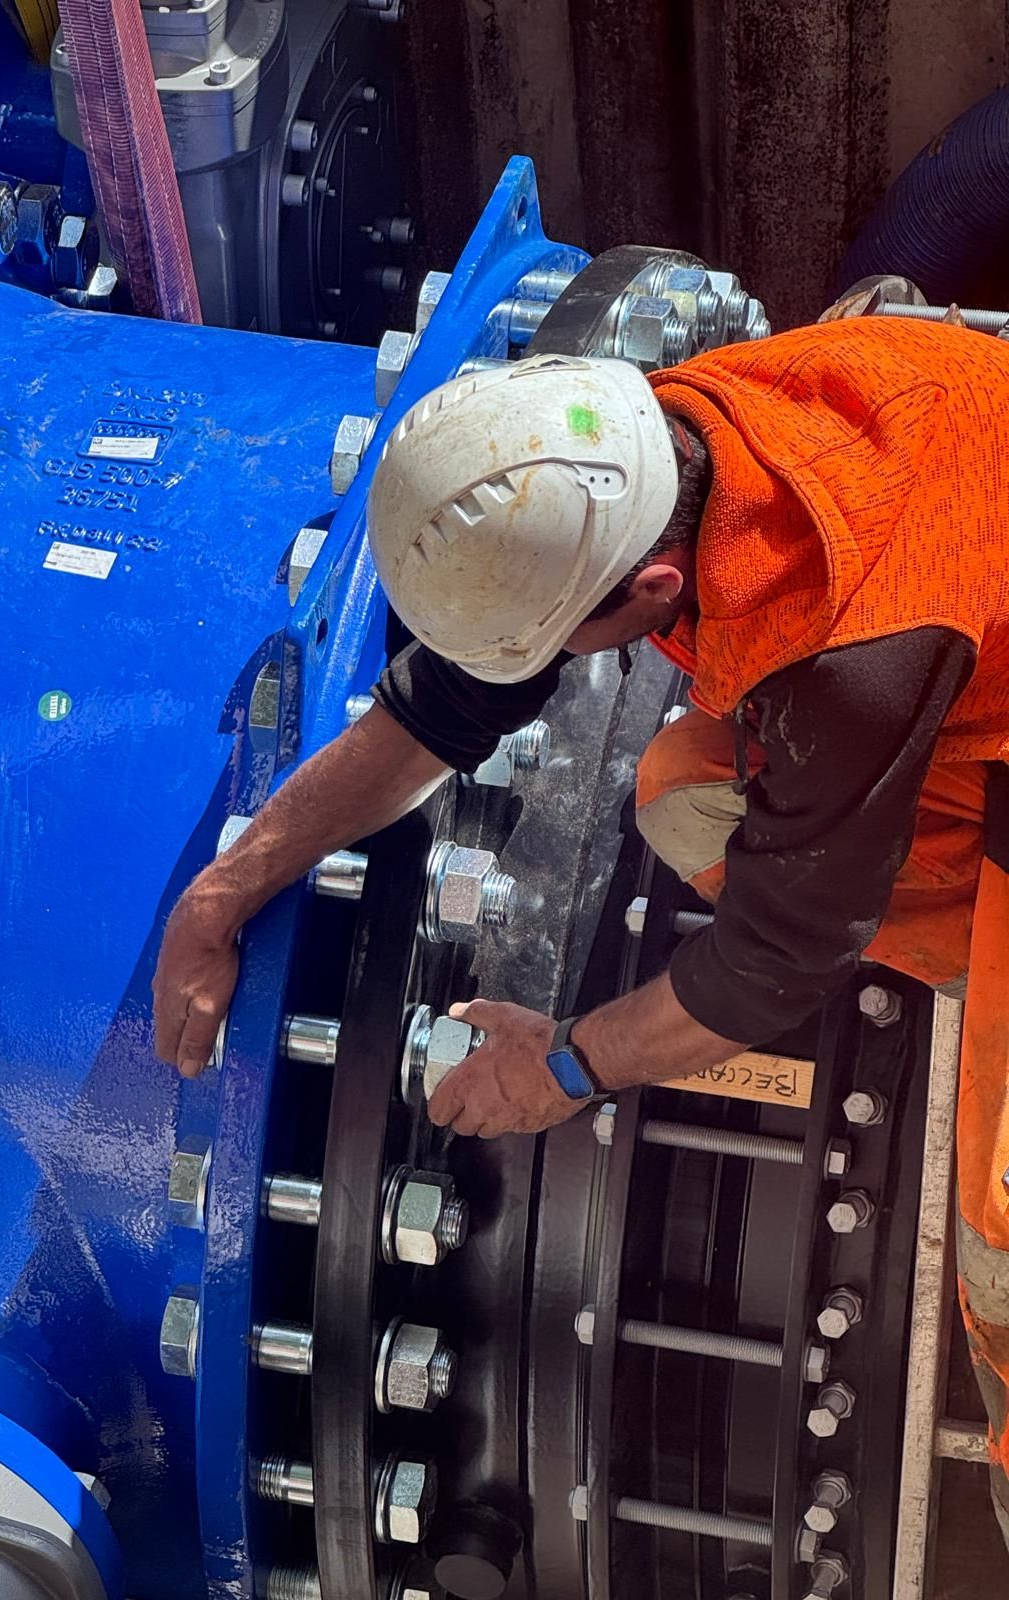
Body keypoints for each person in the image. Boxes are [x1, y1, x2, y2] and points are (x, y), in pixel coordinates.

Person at [153, 318, 1009, 1540]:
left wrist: (564, 1066)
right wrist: (225, 891)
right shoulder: (627, 445)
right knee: (688, 792)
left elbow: (772, 967)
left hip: (939, 619)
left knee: (999, 1229)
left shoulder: (852, 639)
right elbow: (441, 714)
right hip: (976, 621)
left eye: (558, 643)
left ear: (654, 590)